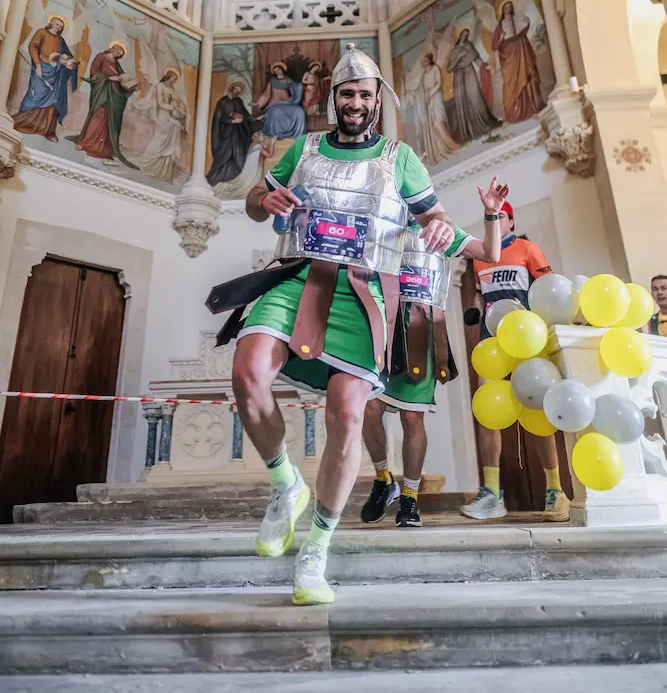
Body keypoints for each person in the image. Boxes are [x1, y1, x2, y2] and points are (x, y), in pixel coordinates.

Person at [208, 43, 458, 606]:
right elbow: (253, 199)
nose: (354, 101)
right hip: (298, 275)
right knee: (248, 373)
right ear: (334, 99)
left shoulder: (401, 157)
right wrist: (264, 200)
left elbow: (434, 216)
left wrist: (439, 230)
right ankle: (283, 484)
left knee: (348, 411)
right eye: (346, 93)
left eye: (364, 94)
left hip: (367, 291)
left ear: (377, 101)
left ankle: (317, 543)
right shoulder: (305, 146)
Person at [361, 176, 509, 528]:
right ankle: (384, 479)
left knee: (413, 418)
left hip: (421, 328)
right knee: (368, 406)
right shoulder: (379, 226)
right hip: (381, 325)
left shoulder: (443, 231)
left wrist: (491, 215)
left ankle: (410, 498)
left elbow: (490, 254)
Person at [460, 201, 570, 523]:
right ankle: (492, 493)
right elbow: (482, 297)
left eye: (499, 217)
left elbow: (549, 290)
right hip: (491, 343)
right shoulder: (480, 257)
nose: (493, 222)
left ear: (510, 221)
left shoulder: (527, 248)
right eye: (488, 219)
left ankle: (555, 490)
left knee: (536, 412)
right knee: (486, 412)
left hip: (527, 340)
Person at [69, 41, 140, 168]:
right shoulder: (101, 57)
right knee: (98, 116)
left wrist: (131, 87)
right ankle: (85, 143)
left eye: (121, 53)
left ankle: (104, 148)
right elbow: (94, 72)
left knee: (109, 121)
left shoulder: (117, 65)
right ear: (113, 47)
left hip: (114, 95)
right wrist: (111, 78)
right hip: (102, 92)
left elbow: (123, 80)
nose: (119, 53)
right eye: (118, 50)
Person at [13, 15, 79, 141]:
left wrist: (70, 63)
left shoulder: (61, 40)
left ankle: (48, 130)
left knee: (53, 100)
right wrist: (38, 65)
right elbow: (33, 47)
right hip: (42, 68)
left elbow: (68, 57)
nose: (58, 27)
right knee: (35, 95)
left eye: (61, 25)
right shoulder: (41, 32)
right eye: (57, 23)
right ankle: (23, 121)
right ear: (51, 23)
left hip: (56, 72)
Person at [492, 0, 545, 123]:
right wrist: (500, 38)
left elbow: (522, 32)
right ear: (502, 11)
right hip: (508, 55)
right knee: (511, 84)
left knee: (527, 77)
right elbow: (494, 46)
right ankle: (513, 113)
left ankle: (532, 107)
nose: (508, 10)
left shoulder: (517, 19)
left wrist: (527, 24)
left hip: (521, 48)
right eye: (506, 8)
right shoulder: (499, 27)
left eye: (510, 8)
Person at [446, 28, 499, 143]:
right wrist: (459, 57)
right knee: (464, 101)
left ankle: (483, 122)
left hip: (470, 72)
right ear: (460, 36)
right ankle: (471, 129)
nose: (465, 37)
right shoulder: (455, 50)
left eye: (467, 35)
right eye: (463, 35)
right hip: (459, 77)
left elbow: (477, 59)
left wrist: (485, 66)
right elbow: (449, 68)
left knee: (475, 97)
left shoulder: (469, 46)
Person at [139, 68, 189, 183]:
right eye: (173, 79)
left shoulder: (172, 89)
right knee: (164, 133)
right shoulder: (160, 87)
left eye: (175, 80)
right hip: (162, 113)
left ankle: (167, 165)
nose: (173, 82)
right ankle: (150, 155)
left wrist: (180, 107)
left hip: (171, 114)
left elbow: (177, 101)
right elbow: (161, 103)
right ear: (168, 77)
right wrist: (174, 107)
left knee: (175, 129)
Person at [253, 62, 306, 158]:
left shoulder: (289, 81)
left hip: (286, 103)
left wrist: (299, 86)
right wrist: (258, 103)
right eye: (275, 70)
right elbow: (266, 94)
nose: (276, 71)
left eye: (278, 69)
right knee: (275, 112)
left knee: (299, 112)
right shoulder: (272, 81)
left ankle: (297, 134)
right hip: (275, 103)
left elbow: (296, 89)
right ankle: (275, 134)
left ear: (282, 69)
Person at [415, 51, 459, 165]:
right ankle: (437, 151)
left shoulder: (435, 69)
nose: (423, 62)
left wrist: (431, 94)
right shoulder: (424, 74)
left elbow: (439, 83)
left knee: (437, 121)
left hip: (435, 97)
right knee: (430, 125)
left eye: (425, 60)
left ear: (429, 60)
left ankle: (448, 146)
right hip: (427, 100)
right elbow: (421, 88)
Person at [207, 80, 253, 186]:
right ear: (231, 89)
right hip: (226, 134)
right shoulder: (223, 102)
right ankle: (215, 179)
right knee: (224, 155)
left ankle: (234, 178)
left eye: (239, 91)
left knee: (238, 154)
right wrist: (232, 120)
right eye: (235, 89)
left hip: (238, 133)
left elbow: (245, 115)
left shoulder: (238, 102)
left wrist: (257, 118)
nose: (236, 92)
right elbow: (219, 119)